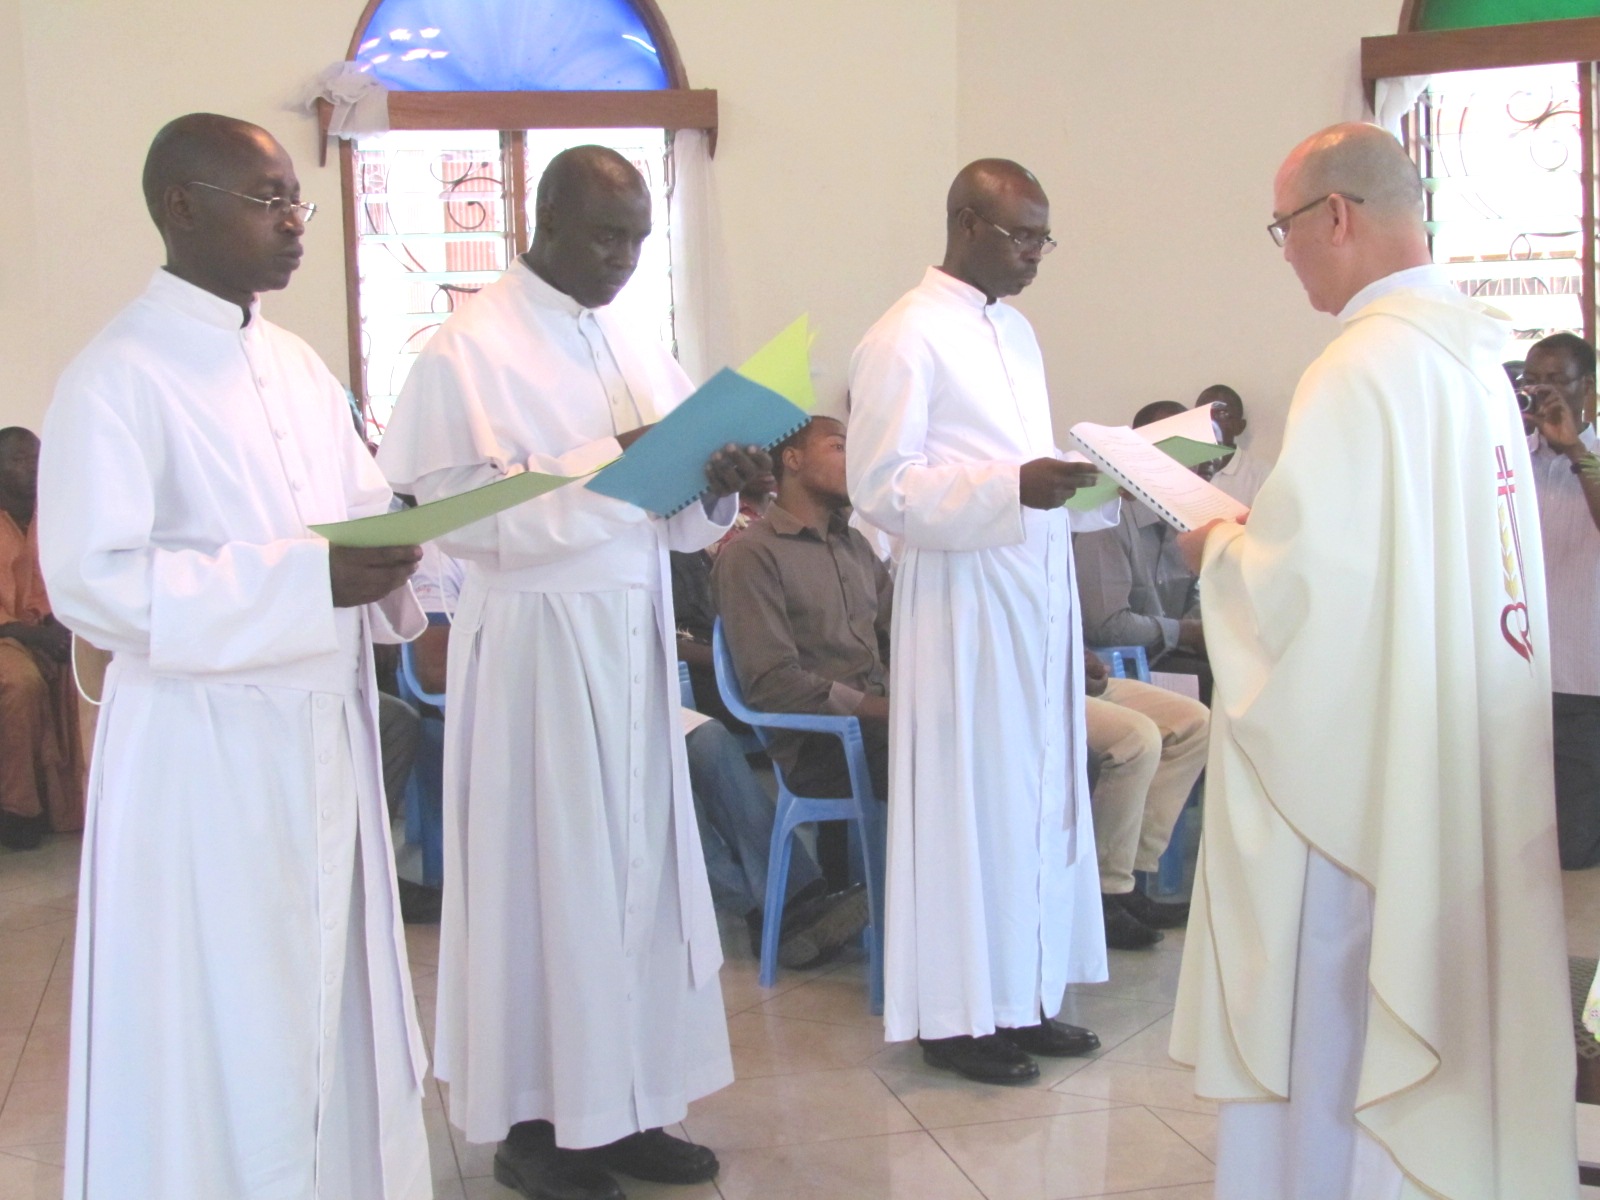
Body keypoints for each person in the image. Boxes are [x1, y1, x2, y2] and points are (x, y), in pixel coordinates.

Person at [1170, 122, 1576, 1198]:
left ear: (1336, 216)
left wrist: (1219, 550)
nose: (1288, 254)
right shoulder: (1470, 356)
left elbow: (1303, 596)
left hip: (1368, 786)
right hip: (1458, 751)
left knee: (1342, 1011)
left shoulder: (1359, 366)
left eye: (1283, 229)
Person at [38, 113, 432, 1199]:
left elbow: (358, 512)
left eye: (296, 200)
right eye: (269, 201)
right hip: (201, 761)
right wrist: (304, 581)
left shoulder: (296, 365)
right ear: (181, 207)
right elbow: (91, 580)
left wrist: (401, 551)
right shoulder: (115, 375)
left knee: (324, 1003)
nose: (296, 223)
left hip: (322, 734)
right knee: (224, 1016)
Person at [378, 145, 769, 1200]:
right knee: (548, 884)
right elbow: (464, 516)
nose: (623, 260)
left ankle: (627, 1103)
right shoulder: (467, 348)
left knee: (636, 877)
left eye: (638, 240)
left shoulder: (631, 339)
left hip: (630, 633)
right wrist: (620, 456)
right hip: (537, 646)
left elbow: (678, 522)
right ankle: (537, 1126)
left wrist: (720, 481)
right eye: (605, 236)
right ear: (544, 221)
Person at [847, 159, 1113, 1086]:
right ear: (966, 223)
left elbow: (1019, 465)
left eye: (1044, 238)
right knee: (973, 806)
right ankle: (957, 1018)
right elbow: (880, 488)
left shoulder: (1018, 333)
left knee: (1034, 800)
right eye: (1021, 235)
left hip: (1032, 597)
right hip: (961, 604)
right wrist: (1010, 487)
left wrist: (1082, 481)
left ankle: (1025, 995)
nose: (1036, 253)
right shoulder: (903, 336)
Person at [714, 415, 893, 888]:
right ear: (792, 460)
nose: (855, 460)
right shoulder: (752, 555)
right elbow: (771, 682)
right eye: (839, 447)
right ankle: (926, 910)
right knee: (956, 759)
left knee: (991, 735)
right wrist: (885, 711)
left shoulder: (854, 545)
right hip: (823, 744)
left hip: (880, 728)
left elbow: (898, 632)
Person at [1522, 332, 1600, 869]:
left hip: (1582, 679)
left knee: (1572, 849)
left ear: (1587, 389)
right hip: (1513, 675)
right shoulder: (1507, 457)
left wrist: (1576, 451)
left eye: (1555, 380)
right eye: (1532, 380)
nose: (1541, 392)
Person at [1082, 649, 1208, 950]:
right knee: (1137, 738)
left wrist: (1083, 656)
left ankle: (1128, 879)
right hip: (1034, 682)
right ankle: (1105, 889)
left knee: (1196, 723)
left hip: (1073, 671)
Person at [1075, 401, 1206, 676]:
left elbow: (1194, 600)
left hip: (1168, 655)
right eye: (1171, 451)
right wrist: (1185, 632)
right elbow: (1105, 627)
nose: (1187, 463)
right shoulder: (1108, 518)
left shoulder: (1186, 516)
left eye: (1191, 451)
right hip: (1117, 668)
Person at [0, 426, 84, 850]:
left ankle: (70, 807)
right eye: (18, 460)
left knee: (82, 673)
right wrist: (30, 635)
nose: (30, 468)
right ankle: (18, 810)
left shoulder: (52, 516)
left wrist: (59, 626)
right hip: (6, 634)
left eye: (35, 458)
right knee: (22, 682)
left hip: (40, 630)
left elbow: (65, 579)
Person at [1195, 384, 1269, 504]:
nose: (1210, 422)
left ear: (1239, 426)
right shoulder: (1180, 472)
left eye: (1221, 414)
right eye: (1202, 414)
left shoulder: (1261, 476)